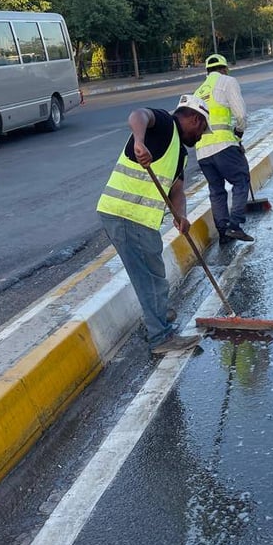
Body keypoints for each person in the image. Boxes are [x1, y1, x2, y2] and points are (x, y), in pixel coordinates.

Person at [96, 94, 211, 354]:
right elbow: (138, 114)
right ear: (195, 120)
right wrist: (139, 142)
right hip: (127, 214)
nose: (200, 137)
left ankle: (157, 313)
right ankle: (160, 337)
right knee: (150, 278)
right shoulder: (164, 124)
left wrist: (181, 216)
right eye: (202, 130)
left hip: (139, 219)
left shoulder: (179, 153)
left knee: (151, 274)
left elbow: (177, 190)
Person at [194, 53, 254, 244]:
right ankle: (235, 226)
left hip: (202, 151)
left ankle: (223, 232)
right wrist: (239, 133)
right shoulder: (227, 81)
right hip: (224, 145)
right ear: (225, 69)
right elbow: (241, 115)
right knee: (241, 180)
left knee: (216, 190)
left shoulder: (198, 92)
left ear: (207, 72)